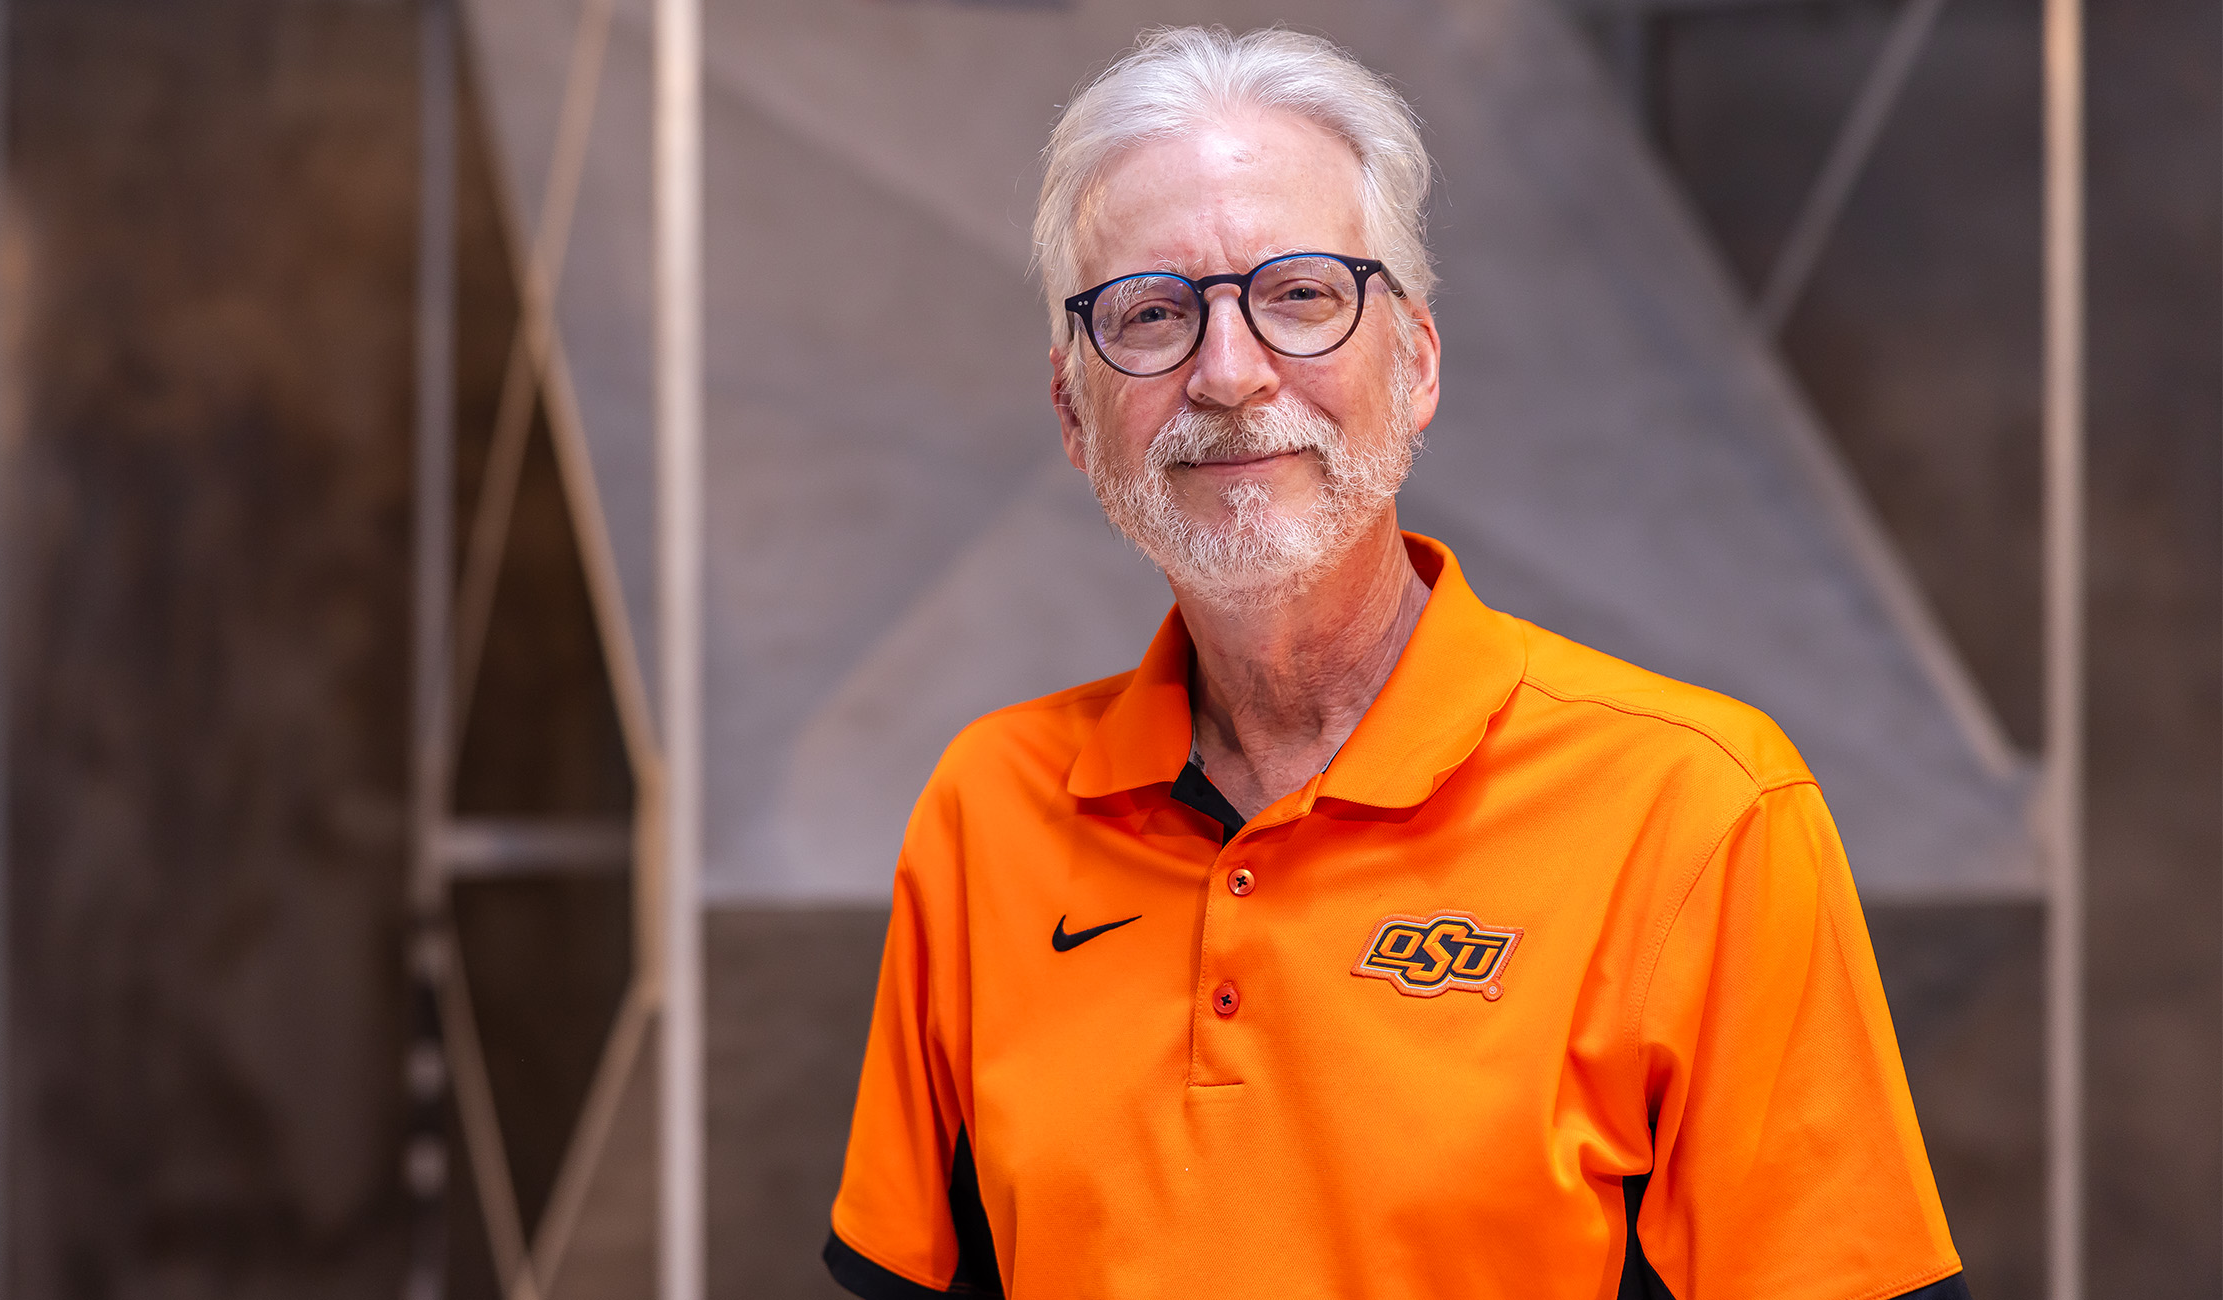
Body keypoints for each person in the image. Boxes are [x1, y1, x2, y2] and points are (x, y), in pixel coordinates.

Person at [823, 25, 1965, 1300]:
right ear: (1073, 413)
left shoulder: (1699, 811)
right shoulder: (985, 812)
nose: (1229, 372)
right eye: (1150, 314)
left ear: (1414, 361)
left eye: (1300, 294)